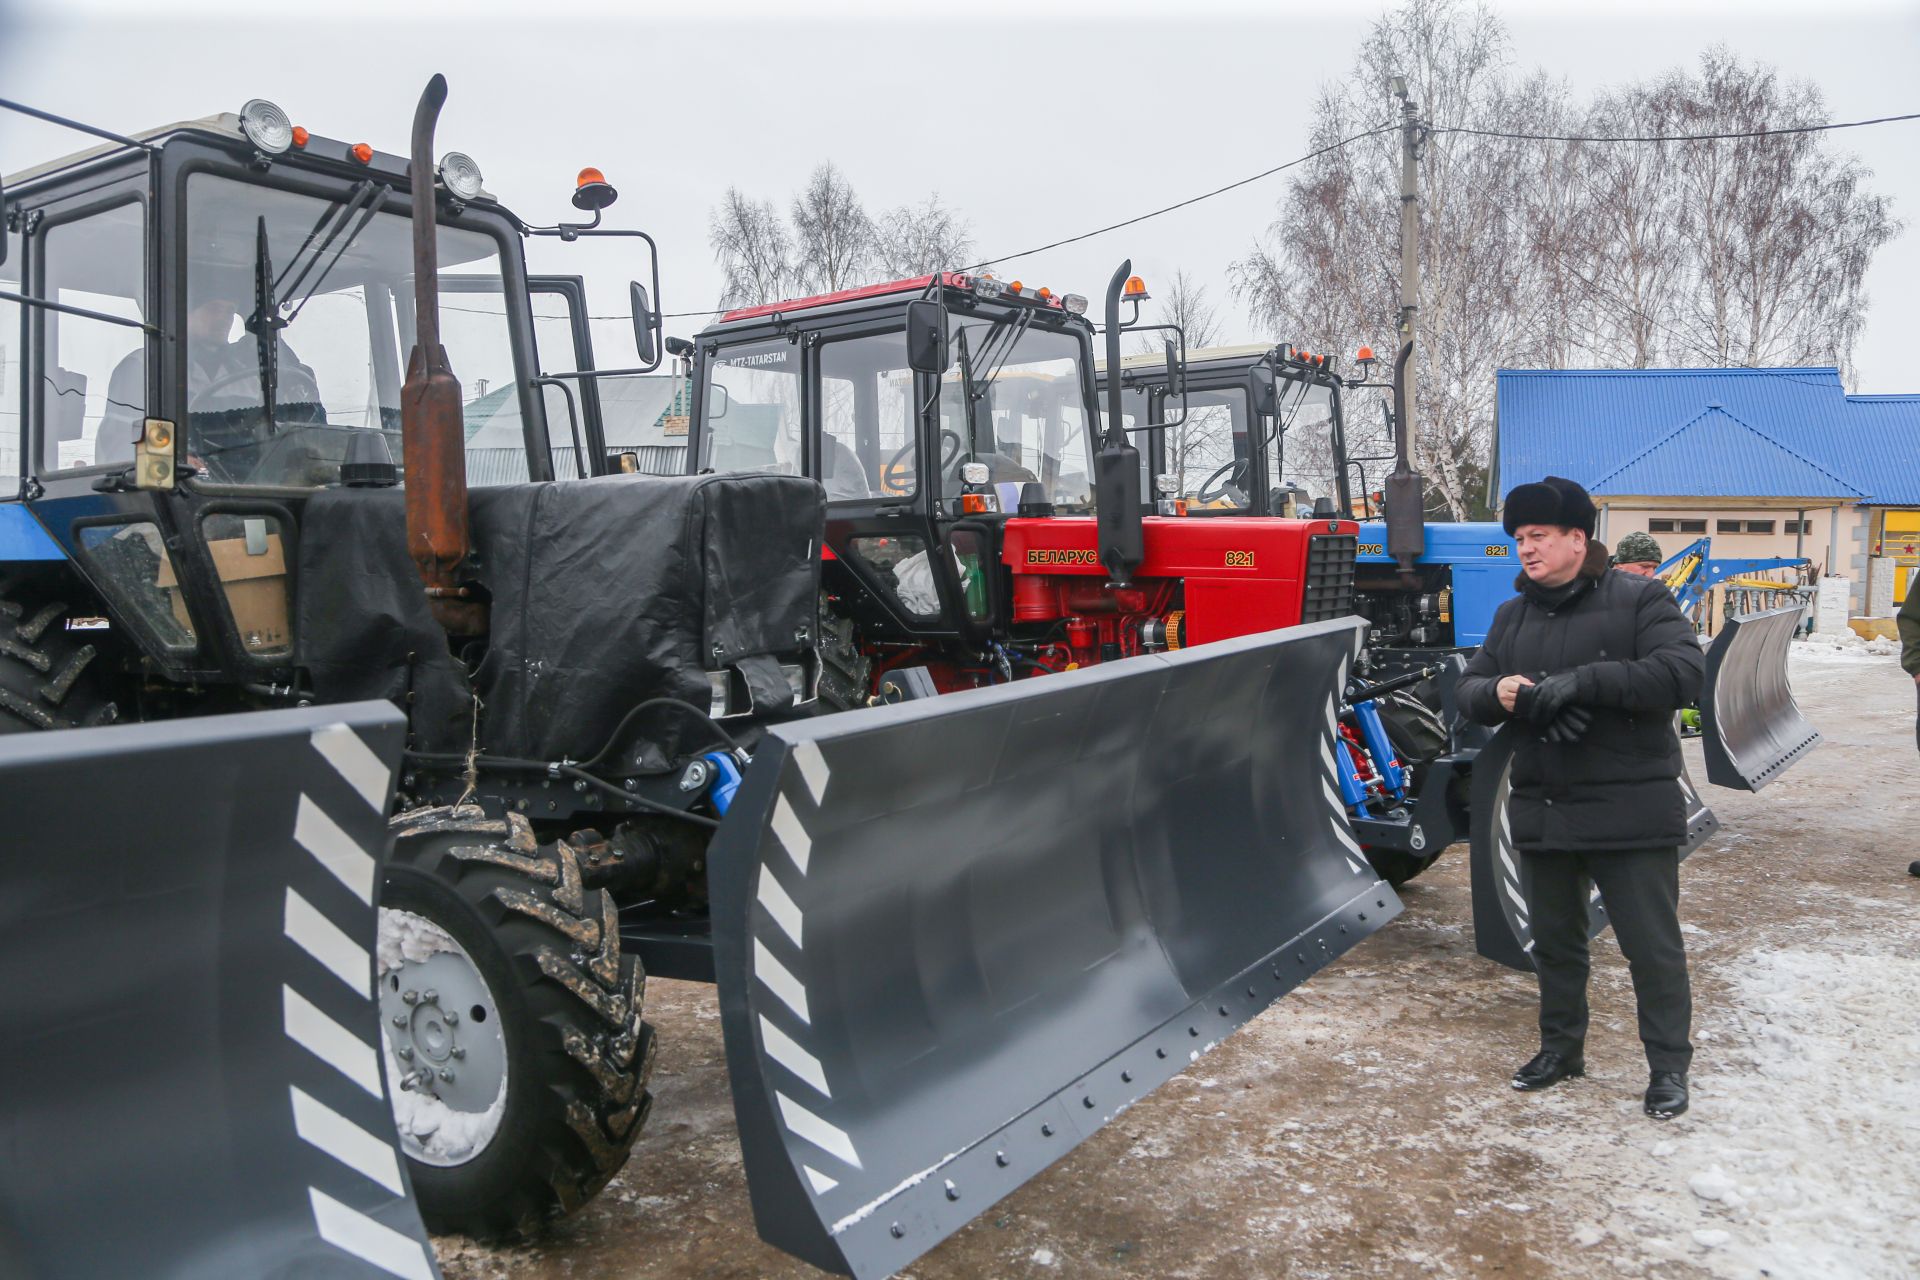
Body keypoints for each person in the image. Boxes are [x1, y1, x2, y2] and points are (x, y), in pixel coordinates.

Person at [1458, 475, 1706, 1119]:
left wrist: (1584, 682)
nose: (1526, 549)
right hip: (1545, 803)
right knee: (1556, 942)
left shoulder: (1640, 598)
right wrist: (1505, 693)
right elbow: (1469, 689)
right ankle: (1561, 1049)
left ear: (1577, 538)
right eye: (1518, 538)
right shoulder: (1513, 614)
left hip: (1631, 808)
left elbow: (1683, 673)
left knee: (1650, 947)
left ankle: (1668, 1069)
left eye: (1538, 536)